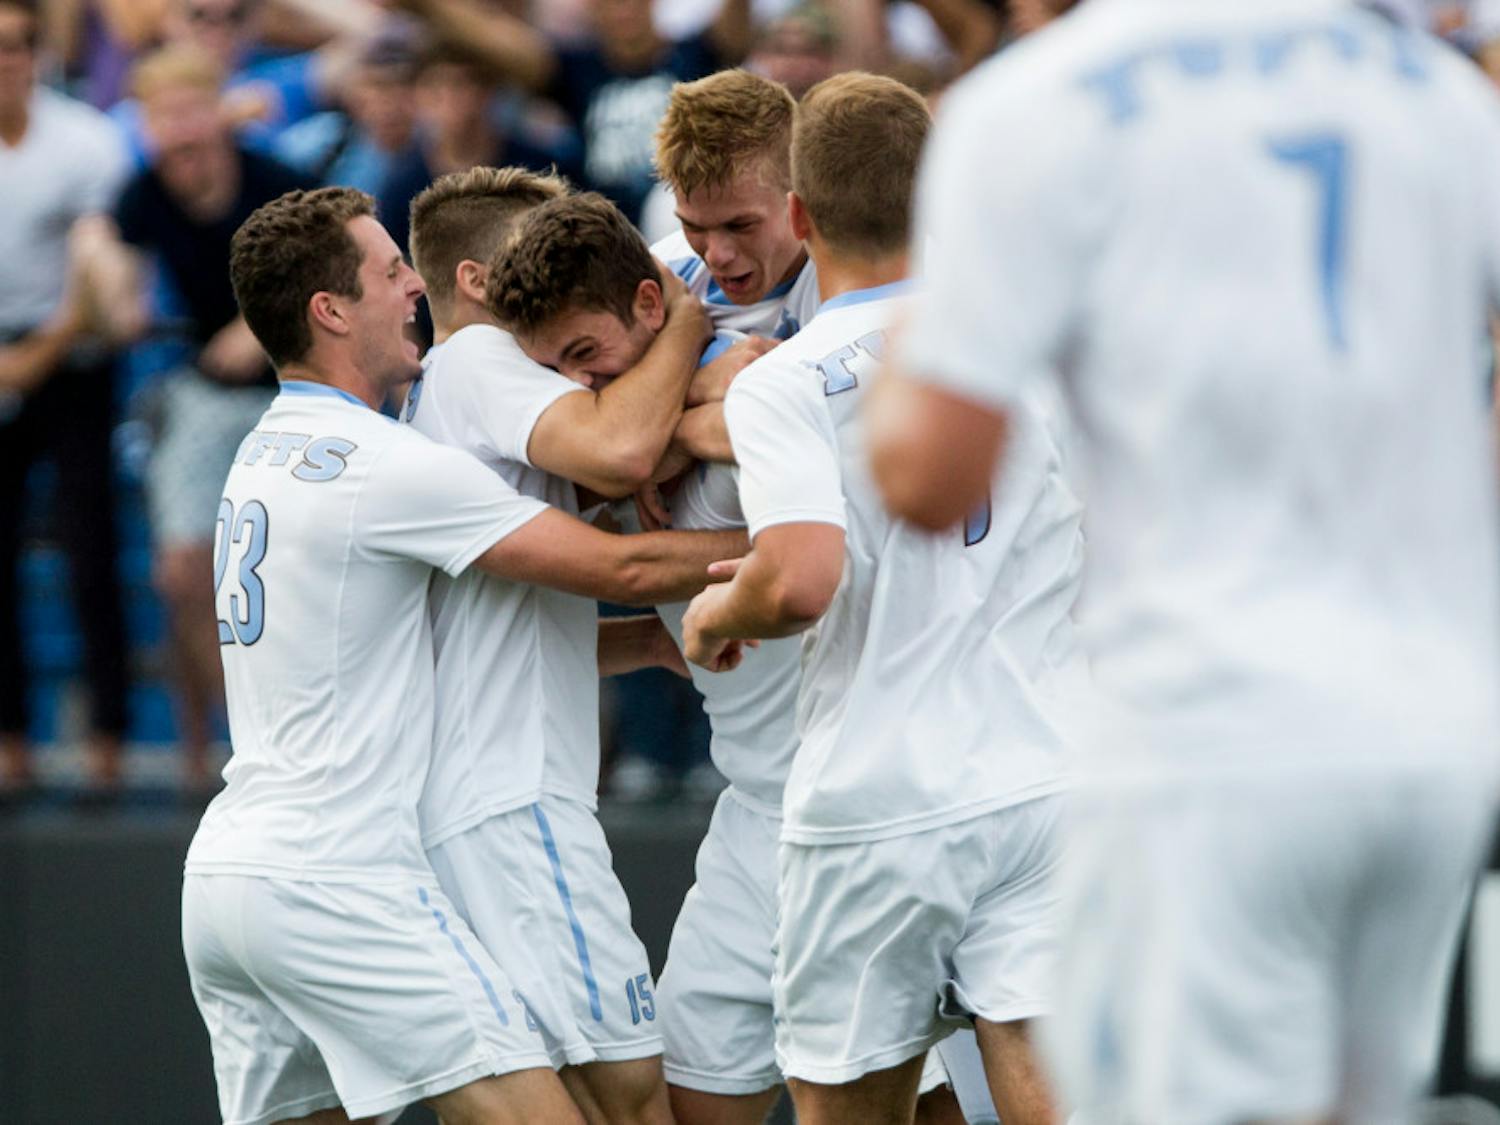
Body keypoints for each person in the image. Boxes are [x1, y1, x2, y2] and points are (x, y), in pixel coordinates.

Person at [869, 5, 1500, 1121]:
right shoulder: (1443, 98)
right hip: (1434, 735)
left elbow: (930, 479)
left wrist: (906, 354)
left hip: (1208, 743)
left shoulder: (1032, 106)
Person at [183, 182, 753, 1125]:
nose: (413, 284)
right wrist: (801, 549)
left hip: (228, 874)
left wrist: (644, 640)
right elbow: (624, 548)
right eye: (385, 270)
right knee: (610, 1106)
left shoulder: (264, 453)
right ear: (329, 310)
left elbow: (452, 641)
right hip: (348, 872)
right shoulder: (391, 450)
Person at [490, 181, 1002, 1125]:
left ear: (650, 309)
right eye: (554, 368)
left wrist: (680, 444)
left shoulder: (765, 384)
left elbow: (762, 508)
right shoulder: (651, 398)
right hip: (758, 808)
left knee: (887, 1094)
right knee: (696, 1099)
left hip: (853, 801)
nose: (578, 386)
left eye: (585, 355)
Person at [681, 72, 1085, 1125]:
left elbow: (800, 577)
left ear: (803, 216)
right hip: (1045, 778)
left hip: (877, 802)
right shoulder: (1036, 351)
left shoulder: (785, 381)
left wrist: (719, 614)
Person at [405, 168, 753, 1125]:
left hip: (473, 796)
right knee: (636, 1099)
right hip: (515, 802)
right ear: (479, 281)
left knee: (574, 1103)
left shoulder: (440, 404)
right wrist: (683, 321)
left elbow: (496, 616)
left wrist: (640, 642)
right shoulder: (477, 362)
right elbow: (622, 457)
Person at [77, 43, 317, 794]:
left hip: (296, 385)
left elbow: (324, 278)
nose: (178, 133)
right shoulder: (142, 192)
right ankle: (223, 744)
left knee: (295, 573)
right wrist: (108, 277)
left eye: (190, 111)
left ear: (221, 112)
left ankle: (284, 737)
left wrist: (260, 328)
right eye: (161, 117)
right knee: (181, 570)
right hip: (204, 391)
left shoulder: (277, 183)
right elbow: (108, 265)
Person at [0, 0, 131, 800]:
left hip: (72, 359)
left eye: (15, 45)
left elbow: (98, 274)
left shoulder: (85, 139)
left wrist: (30, 362)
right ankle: (11, 739)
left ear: (38, 51)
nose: (4, 60)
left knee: (92, 549)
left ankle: (108, 737)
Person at [393, 0, 751, 224]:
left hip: (695, 222)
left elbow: (735, 33)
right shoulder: (578, 70)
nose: (623, 9)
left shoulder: (697, 54)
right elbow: (507, 47)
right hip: (615, 238)